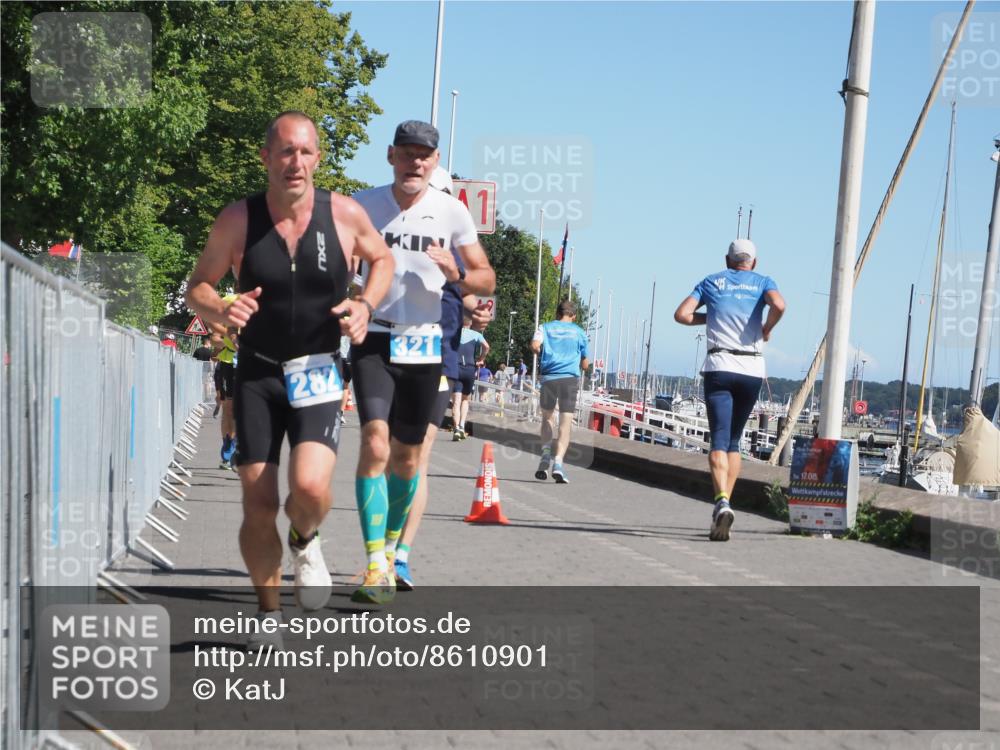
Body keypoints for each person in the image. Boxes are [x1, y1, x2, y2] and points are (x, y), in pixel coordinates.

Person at [184, 111, 394, 648]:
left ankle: (306, 538)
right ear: (266, 159)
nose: (295, 163)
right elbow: (198, 287)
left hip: (320, 368)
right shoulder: (238, 220)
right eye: (284, 152)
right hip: (257, 372)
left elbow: (383, 259)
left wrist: (366, 303)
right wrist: (219, 309)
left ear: (318, 158)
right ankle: (268, 613)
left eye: (304, 152)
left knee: (309, 487)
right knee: (257, 503)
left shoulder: (344, 214)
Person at [351, 122, 495, 602]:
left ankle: (393, 552)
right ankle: (374, 562)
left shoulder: (451, 212)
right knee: (375, 443)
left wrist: (459, 274)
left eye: (424, 156)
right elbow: (335, 263)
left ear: (435, 163)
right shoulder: (362, 205)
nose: (415, 162)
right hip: (373, 336)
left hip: (424, 344)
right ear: (390, 155)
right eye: (407, 153)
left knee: (409, 460)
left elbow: (486, 277)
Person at [673, 238, 785, 541]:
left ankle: (721, 500)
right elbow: (779, 304)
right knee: (735, 442)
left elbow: (681, 314)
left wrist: (708, 316)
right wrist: (766, 328)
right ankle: (724, 504)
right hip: (751, 370)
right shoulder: (763, 281)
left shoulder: (711, 281)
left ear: (727, 260)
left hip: (720, 366)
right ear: (754, 263)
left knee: (719, 440)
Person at [531, 299, 590, 483]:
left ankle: (545, 455)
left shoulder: (545, 327)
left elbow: (534, 345)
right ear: (574, 316)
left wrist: (542, 352)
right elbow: (585, 363)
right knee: (565, 422)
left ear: (558, 314)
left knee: (547, 418)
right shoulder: (580, 332)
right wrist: (583, 365)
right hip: (569, 380)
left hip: (549, 377)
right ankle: (558, 463)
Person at [452, 312, 490, 440]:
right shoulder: (476, 335)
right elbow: (486, 347)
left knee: (456, 401)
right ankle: (462, 426)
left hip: (456, 368)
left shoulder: (453, 333)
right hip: (469, 368)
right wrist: (481, 358)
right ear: (471, 323)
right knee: (465, 400)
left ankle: (456, 428)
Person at [209, 314, 239, 470]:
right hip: (229, 364)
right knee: (228, 408)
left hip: (255, 362)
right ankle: (228, 447)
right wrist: (229, 343)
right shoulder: (228, 306)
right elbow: (214, 338)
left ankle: (238, 445)